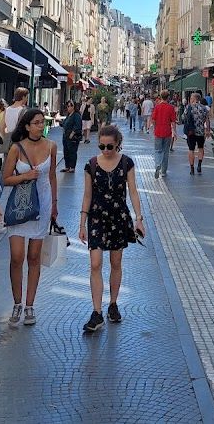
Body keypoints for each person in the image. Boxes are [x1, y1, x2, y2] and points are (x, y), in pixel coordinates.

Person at [79, 124, 144, 334]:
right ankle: (96, 312)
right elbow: (87, 195)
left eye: (110, 147)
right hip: (97, 217)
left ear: (118, 144)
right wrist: (82, 223)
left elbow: (133, 191)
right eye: (102, 146)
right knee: (95, 263)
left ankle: (113, 304)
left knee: (116, 262)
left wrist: (139, 218)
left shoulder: (126, 163)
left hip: (118, 216)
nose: (105, 150)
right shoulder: (91, 165)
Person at [2, 107, 58, 326]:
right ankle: (16, 302)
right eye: (36, 122)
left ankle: (29, 305)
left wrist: (54, 205)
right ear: (26, 126)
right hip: (20, 205)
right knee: (17, 256)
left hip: (42, 204)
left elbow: (52, 176)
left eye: (42, 122)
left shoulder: (52, 146)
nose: (40, 125)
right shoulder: (16, 148)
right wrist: (25, 175)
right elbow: (5, 178)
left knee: (34, 257)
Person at [151, 91, 176, 179]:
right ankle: (164, 172)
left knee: (158, 150)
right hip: (167, 132)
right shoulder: (171, 107)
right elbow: (173, 121)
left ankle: (158, 164)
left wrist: (155, 127)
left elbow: (153, 119)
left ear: (161, 97)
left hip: (158, 132)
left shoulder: (157, 107)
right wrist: (175, 132)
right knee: (166, 152)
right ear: (168, 97)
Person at [183, 91, 210, 175]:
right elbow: (207, 120)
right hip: (201, 132)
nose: (190, 99)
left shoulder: (188, 107)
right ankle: (199, 165)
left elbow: (183, 117)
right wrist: (208, 130)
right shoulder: (204, 108)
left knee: (191, 150)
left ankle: (192, 168)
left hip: (191, 132)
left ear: (194, 99)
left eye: (191, 98)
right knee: (201, 148)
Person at [3, 87, 29, 154]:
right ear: (23, 97)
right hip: (20, 140)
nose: (27, 99)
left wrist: (6, 138)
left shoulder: (7, 109)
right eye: (26, 97)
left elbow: (2, 127)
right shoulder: (23, 110)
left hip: (9, 140)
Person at [61, 100, 82, 173]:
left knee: (72, 151)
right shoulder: (68, 115)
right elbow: (65, 124)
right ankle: (67, 166)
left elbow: (78, 126)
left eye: (70, 106)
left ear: (74, 106)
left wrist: (72, 134)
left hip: (72, 137)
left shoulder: (76, 115)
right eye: (68, 106)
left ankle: (72, 167)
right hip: (65, 136)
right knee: (66, 152)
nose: (69, 107)